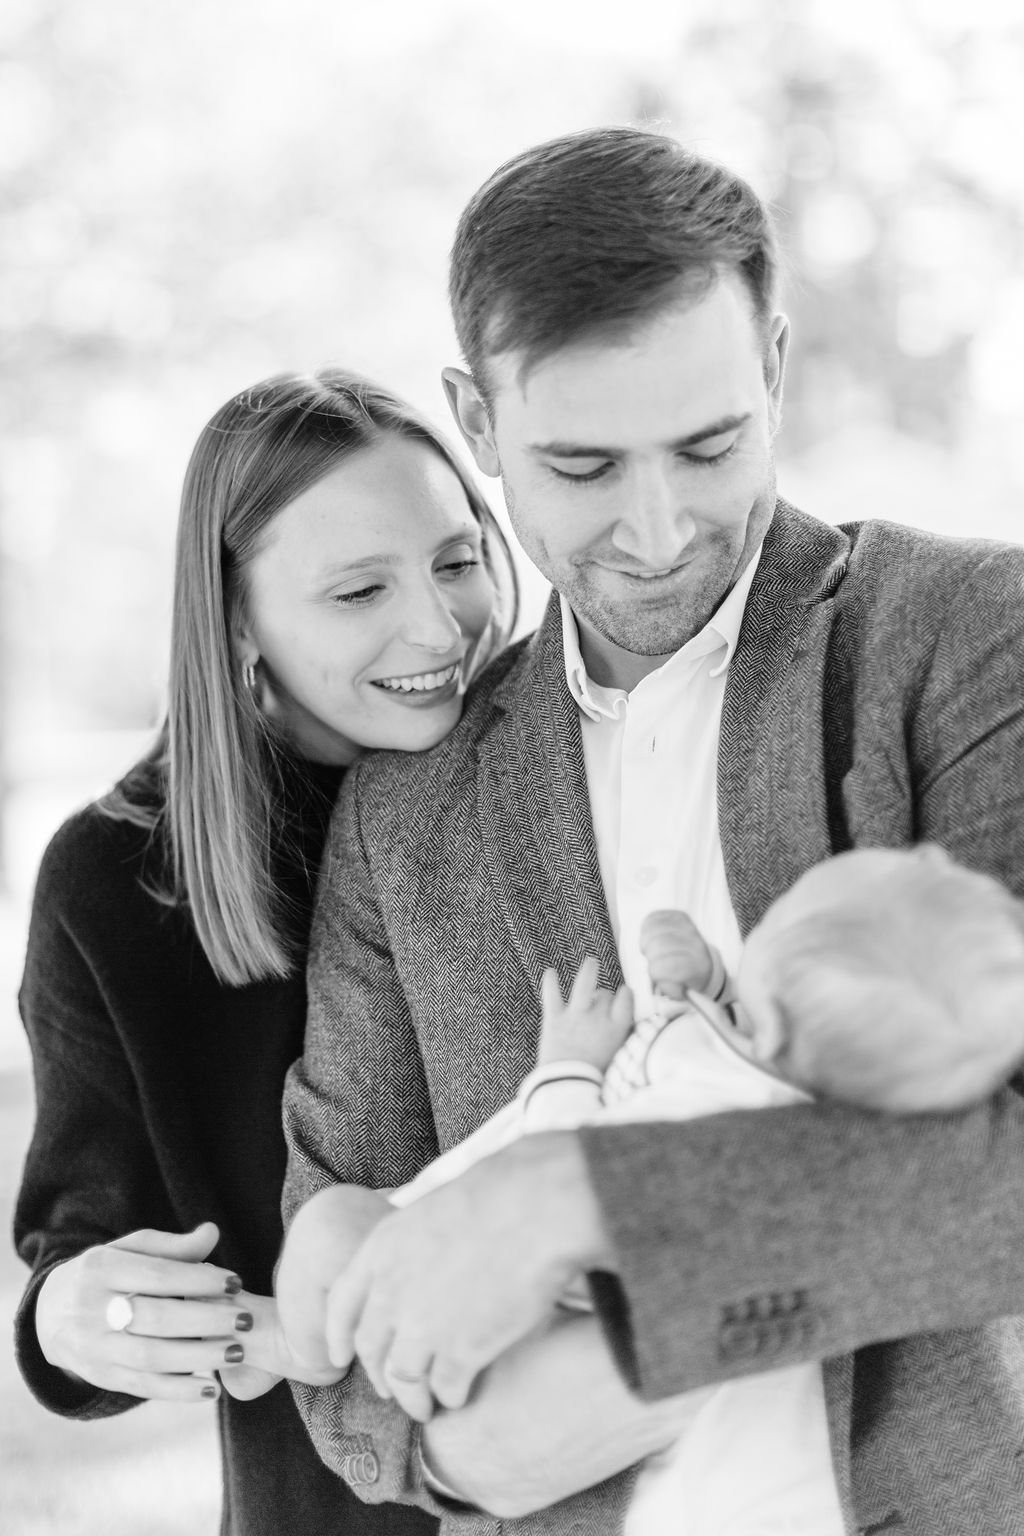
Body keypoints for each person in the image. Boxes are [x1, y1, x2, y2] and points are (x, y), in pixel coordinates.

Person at [279, 126, 1024, 1536]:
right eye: (581, 464)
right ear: (476, 420)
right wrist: (454, 1457)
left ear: (777, 370)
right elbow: (338, 1238)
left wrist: (589, 1197)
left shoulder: (973, 642)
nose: (660, 527)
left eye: (708, 444)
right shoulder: (406, 808)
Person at [13, 367, 515, 1536]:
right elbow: (84, 1253)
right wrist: (72, 1316)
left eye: (456, 559)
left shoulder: (552, 766)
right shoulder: (118, 882)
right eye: (357, 591)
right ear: (235, 615)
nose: (440, 627)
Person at [281, 845, 1024, 1534]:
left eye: (778, 917)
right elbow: (741, 1042)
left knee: (332, 1222)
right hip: (546, 1349)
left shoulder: (716, 1103)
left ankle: (305, 1346)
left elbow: (568, 1154)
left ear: (771, 1015)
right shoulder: (790, 1082)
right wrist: (706, 978)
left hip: (544, 1297)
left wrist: (566, 1066)